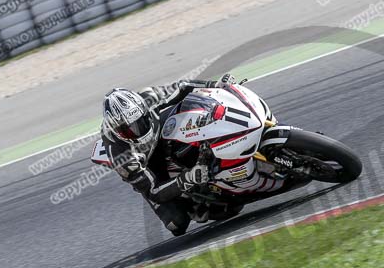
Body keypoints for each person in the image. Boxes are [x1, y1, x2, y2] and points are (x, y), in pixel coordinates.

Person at [100, 74, 284, 236]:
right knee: (177, 224)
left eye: (140, 122)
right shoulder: (121, 155)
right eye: (128, 130)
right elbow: (154, 191)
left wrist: (216, 85)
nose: (136, 130)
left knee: (194, 109)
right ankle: (196, 203)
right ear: (117, 131)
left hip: (161, 129)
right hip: (146, 162)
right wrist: (187, 179)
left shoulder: (150, 98)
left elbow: (183, 87)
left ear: (143, 109)